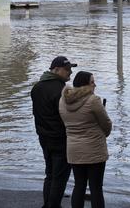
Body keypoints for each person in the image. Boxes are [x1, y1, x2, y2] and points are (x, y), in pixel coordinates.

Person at [59, 71, 112, 208]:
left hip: (73, 149)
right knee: (96, 188)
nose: (95, 85)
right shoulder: (93, 100)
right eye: (92, 82)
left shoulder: (63, 100)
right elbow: (107, 124)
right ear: (85, 85)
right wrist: (102, 134)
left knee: (79, 185)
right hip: (94, 149)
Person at [31, 56, 77, 208]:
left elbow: (37, 114)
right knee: (60, 176)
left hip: (44, 137)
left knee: (50, 174)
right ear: (56, 70)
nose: (70, 73)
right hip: (61, 139)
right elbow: (71, 115)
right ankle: (54, 206)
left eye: (71, 70)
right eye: (67, 70)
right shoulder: (63, 90)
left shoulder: (37, 88)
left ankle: (48, 205)